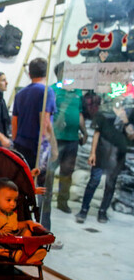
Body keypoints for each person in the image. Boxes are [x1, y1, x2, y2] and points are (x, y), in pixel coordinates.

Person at [75, 101, 134, 224]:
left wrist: (125, 120)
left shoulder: (129, 115)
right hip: (101, 153)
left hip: (117, 156)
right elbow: (96, 134)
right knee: (93, 181)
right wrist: (92, 153)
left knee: (110, 185)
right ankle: (84, 210)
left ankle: (103, 211)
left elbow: (131, 136)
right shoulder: (103, 114)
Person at [49, 63, 88, 213]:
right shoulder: (53, 90)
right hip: (56, 138)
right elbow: (48, 114)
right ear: (58, 73)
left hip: (72, 139)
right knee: (50, 171)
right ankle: (45, 198)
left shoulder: (77, 92)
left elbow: (79, 114)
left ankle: (62, 202)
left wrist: (84, 132)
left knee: (67, 172)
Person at [0, 178, 47, 264]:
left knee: (26, 231)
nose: (13, 204)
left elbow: (15, 225)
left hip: (12, 240)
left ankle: (27, 253)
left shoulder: (11, 214)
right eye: (9, 200)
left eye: (15, 200)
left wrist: (27, 223)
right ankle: (13, 254)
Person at [12, 58, 57, 170]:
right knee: (35, 183)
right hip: (36, 148)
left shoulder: (20, 94)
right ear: (46, 73)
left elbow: (14, 123)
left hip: (20, 145)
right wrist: (54, 147)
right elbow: (45, 123)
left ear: (30, 73)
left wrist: (15, 145)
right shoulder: (47, 91)